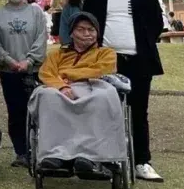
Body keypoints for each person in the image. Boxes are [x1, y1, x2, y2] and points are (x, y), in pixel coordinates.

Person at [83, 0, 165, 182]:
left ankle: (142, 161)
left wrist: (143, 41)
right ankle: (107, 159)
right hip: (107, 61)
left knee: (139, 112)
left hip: (138, 60)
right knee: (105, 109)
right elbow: (87, 24)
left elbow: (156, 23)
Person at [32, 12, 124, 179]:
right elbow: (46, 73)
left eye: (91, 30)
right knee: (47, 97)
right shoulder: (57, 54)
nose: (86, 33)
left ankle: (94, 157)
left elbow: (101, 70)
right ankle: (56, 155)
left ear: (97, 32)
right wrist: (61, 86)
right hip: (60, 88)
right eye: (81, 29)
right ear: (72, 32)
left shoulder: (106, 53)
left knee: (101, 99)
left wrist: (69, 74)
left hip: (92, 86)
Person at [0, 0, 48, 168]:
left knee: (39, 111)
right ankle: (21, 152)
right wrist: (8, 60)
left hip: (34, 70)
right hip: (9, 72)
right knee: (15, 112)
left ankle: (42, 149)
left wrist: (29, 60)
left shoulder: (36, 12)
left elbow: (42, 38)